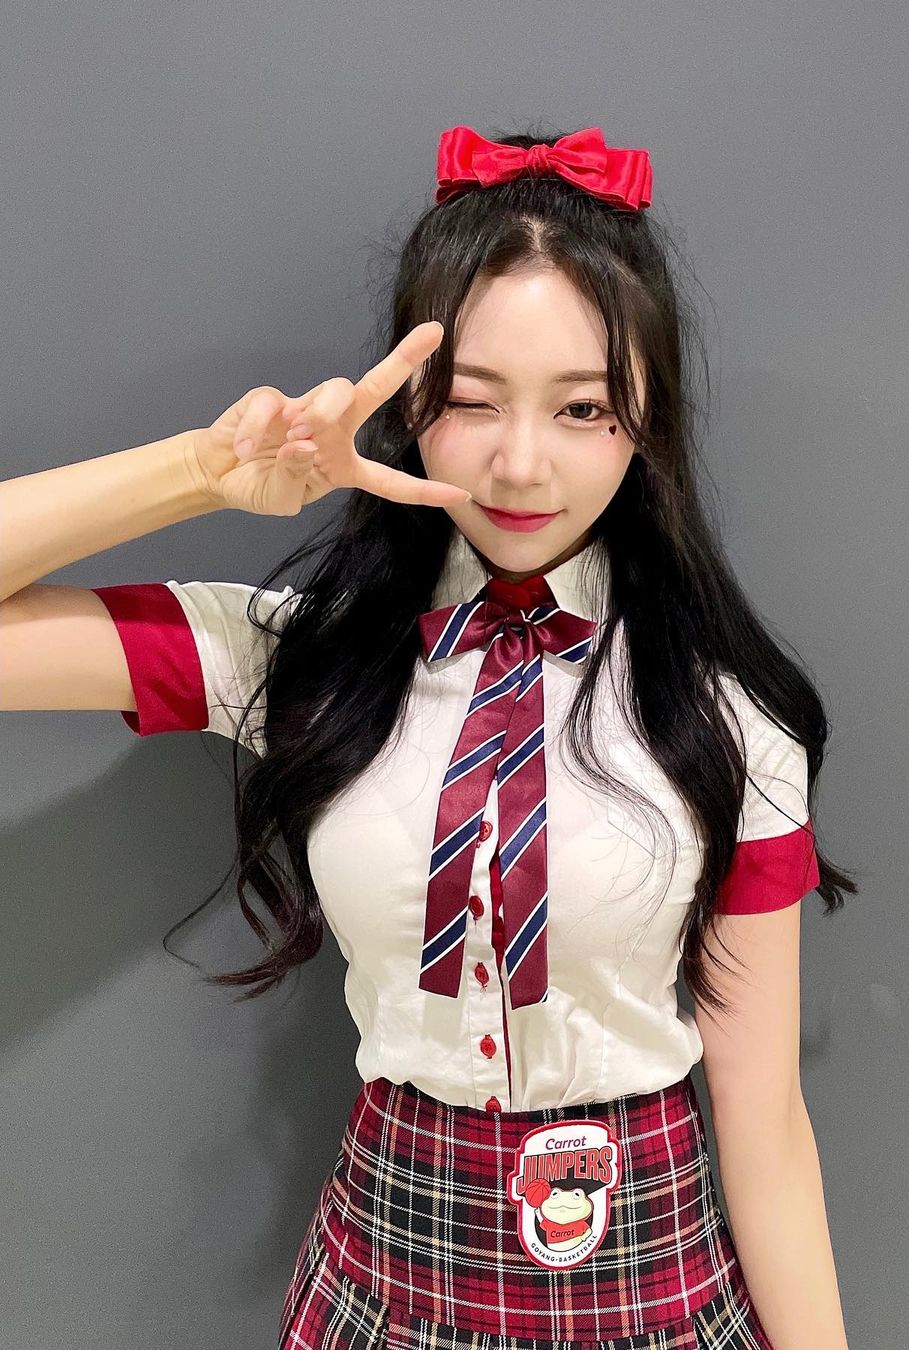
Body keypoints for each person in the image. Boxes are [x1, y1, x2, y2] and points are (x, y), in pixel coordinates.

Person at [0, 122, 856, 1349]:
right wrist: (207, 471)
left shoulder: (726, 717)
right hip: (383, 1293)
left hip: (655, 1294)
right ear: (410, 404)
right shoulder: (301, 659)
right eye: (472, 400)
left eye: (582, 407)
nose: (522, 463)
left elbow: (765, 1125)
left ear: (648, 419)